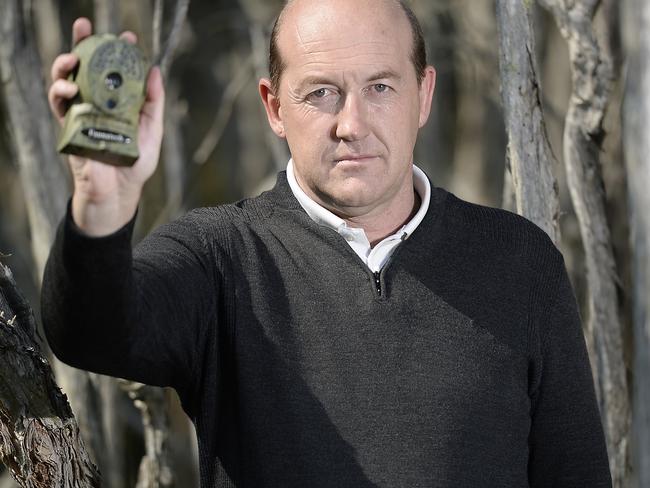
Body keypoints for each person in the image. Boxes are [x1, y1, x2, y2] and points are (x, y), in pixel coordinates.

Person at [42, 0, 612, 486]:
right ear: (274, 107)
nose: (352, 123)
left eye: (381, 87)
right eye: (321, 93)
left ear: (424, 95)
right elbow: (90, 331)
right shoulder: (219, 259)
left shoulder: (519, 260)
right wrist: (101, 210)